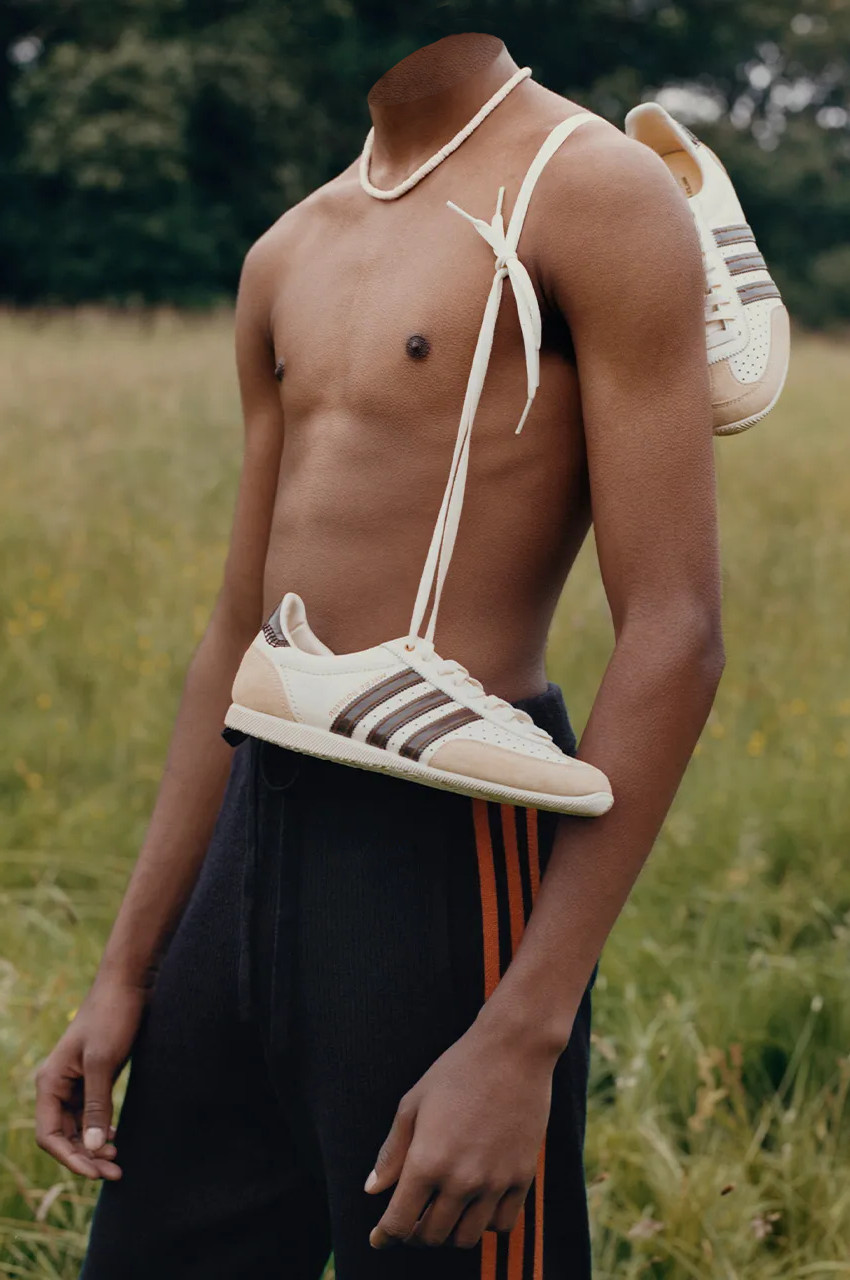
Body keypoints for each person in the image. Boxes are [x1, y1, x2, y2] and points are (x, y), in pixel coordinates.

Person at [36, 31, 724, 1280]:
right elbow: (238, 626)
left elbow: (676, 626)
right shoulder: (285, 249)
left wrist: (522, 1031)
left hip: (453, 846)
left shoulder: (590, 189)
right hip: (253, 835)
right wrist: (128, 967)